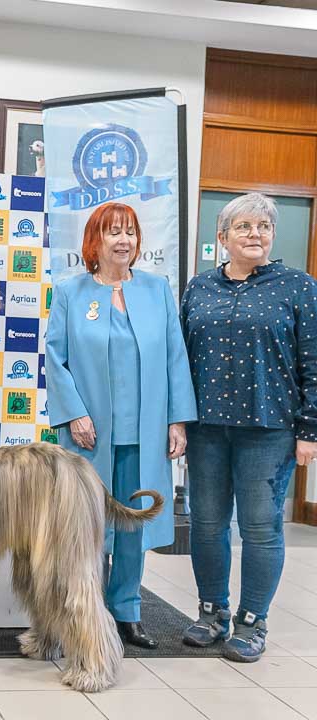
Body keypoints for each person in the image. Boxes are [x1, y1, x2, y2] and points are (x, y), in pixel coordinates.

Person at [46, 202, 197, 649]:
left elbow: (175, 357)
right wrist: (74, 413)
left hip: (144, 432)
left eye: (130, 231)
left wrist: (177, 420)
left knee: (134, 522)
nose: (123, 240)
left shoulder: (156, 290)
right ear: (95, 241)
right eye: (113, 232)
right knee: (87, 525)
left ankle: (127, 610)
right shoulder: (70, 293)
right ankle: (84, 611)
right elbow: (55, 358)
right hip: (89, 432)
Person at [181, 192, 317, 662]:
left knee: (260, 527)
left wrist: (310, 430)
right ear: (222, 237)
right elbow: (181, 360)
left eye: (263, 226)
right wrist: (176, 420)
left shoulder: (299, 287)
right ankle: (211, 613)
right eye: (243, 226)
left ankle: (252, 621)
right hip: (206, 428)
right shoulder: (199, 288)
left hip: (269, 430)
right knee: (206, 523)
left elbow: (314, 362)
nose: (254, 234)